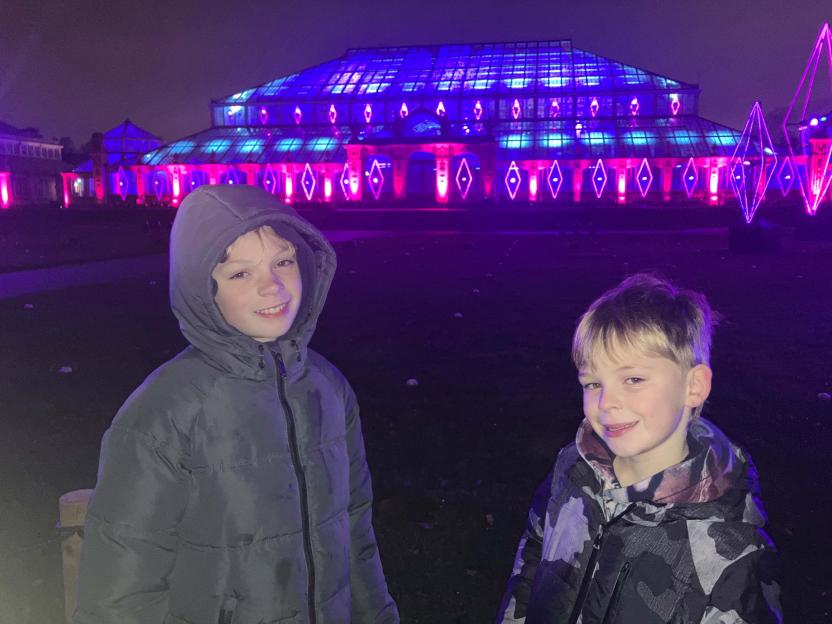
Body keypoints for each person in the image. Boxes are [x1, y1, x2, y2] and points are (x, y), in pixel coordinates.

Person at [74, 185, 399, 624]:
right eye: (240, 274)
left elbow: (355, 531)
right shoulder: (166, 411)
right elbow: (120, 588)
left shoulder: (328, 389)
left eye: (283, 262)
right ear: (202, 289)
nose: (273, 287)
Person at [496, 273, 781, 624]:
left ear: (693, 386)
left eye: (633, 379)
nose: (606, 402)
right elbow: (531, 563)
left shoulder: (731, 550)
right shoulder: (572, 468)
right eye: (593, 383)